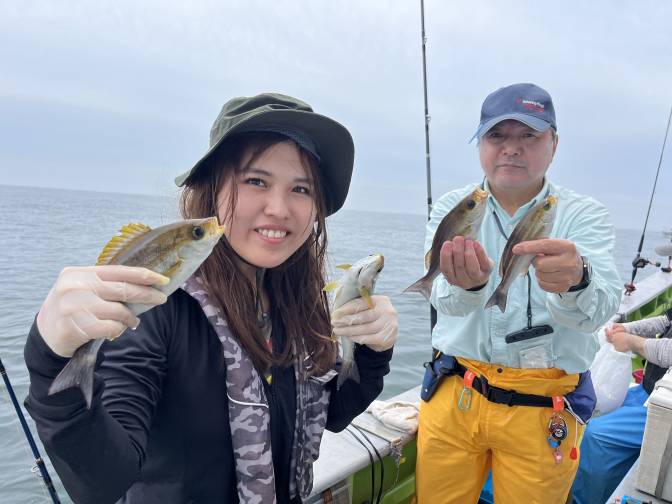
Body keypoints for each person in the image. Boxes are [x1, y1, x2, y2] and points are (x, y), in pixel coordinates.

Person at [23, 93, 398, 504]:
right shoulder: (155, 304)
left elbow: (332, 413)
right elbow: (103, 481)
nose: (279, 208)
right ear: (213, 187)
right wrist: (50, 358)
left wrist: (373, 351)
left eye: (301, 188)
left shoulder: (296, 302)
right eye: (256, 181)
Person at [414, 83, 622, 503]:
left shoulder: (584, 214)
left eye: (529, 135)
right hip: (456, 391)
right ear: (480, 144)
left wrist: (578, 279)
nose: (511, 148)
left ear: (554, 145)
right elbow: (442, 298)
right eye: (497, 135)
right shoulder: (453, 206)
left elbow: (598, 311)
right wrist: (469, 286)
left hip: (546, 406)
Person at [571, 312, 672, 504]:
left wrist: (630, 341)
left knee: (595, 434)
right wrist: (626, 328)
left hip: (663, 410)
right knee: (589, 414)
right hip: (647, 391)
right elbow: (666, 320)